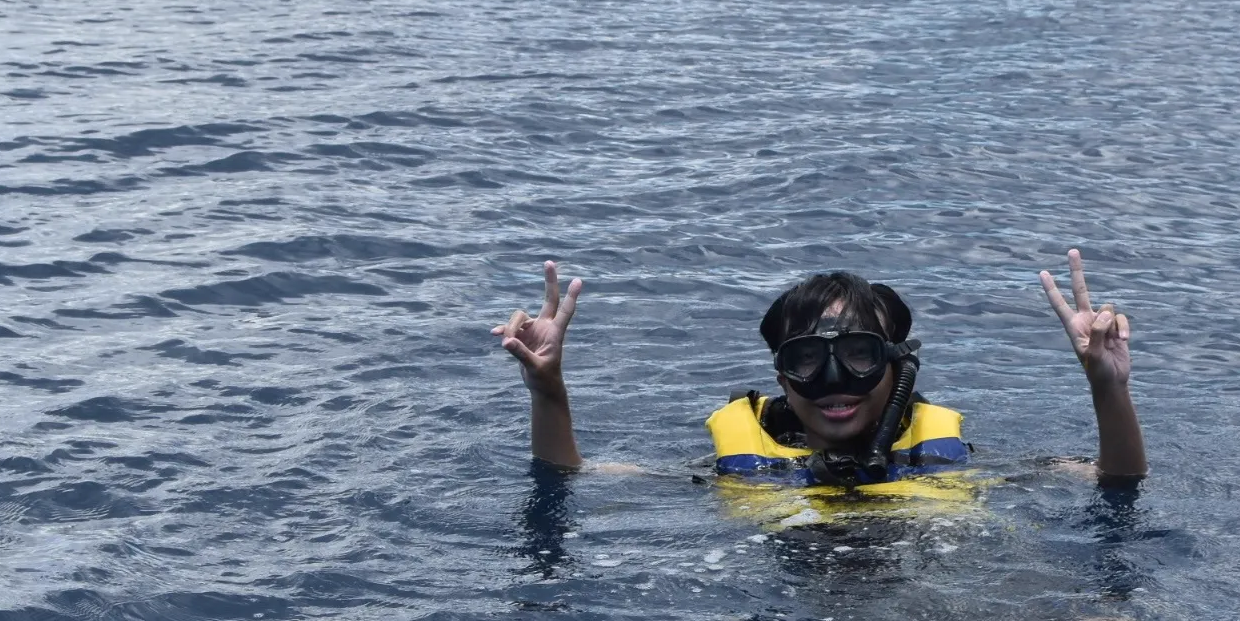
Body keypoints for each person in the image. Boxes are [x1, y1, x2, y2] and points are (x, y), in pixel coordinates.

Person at [490, 250, 1146, 486]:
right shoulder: (739, 469)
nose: (834, 383)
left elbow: (1114, 479)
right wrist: (548, 391)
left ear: (895, 366)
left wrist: (1108, 390)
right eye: (807, 360)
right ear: (781, 376)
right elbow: (570, 475)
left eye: (858, 356)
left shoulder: (945, 462)